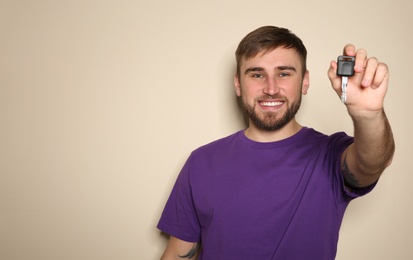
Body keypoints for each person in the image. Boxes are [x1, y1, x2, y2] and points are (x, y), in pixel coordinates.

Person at [157, 25, 395, 260]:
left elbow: (371, 163)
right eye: (257, 74)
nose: (271, 89)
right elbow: (178, 254)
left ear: (304, 81)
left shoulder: (329, 155)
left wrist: (368, 115)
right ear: (238, 84)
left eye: (284, 73)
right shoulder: (201, 162)